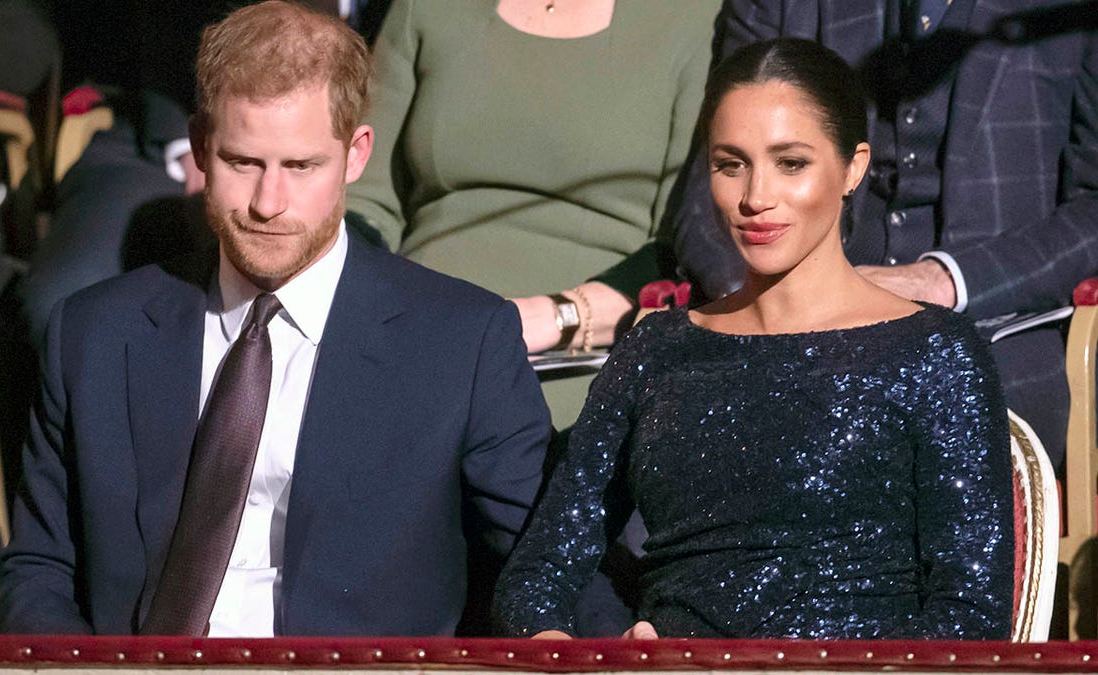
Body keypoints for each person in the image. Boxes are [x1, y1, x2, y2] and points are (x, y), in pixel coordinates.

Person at [0, 0, 550, 636]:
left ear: (356, 154)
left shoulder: (461, 343)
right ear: (202, 148)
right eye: (243, 162)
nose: (268, 203)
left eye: (301, 166)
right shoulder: (94, 334)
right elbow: (36, 569)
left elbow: (545, 564)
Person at [494, 38, 1014, 640]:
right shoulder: (657, 349)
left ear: (853, 168)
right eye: (730, 164)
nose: (755, 198)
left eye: (791, 163)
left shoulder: (935, 353)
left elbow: (969, 617)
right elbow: (537, 574)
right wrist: (570, 650)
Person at [571, 0, 1098, 469]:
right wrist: (786, 313)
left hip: (990, 336)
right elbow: (712, 190)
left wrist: (941, 281)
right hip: (777, 334)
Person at [345, 0, 717, 426]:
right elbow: (364, 197)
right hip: (415, 329)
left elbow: (689, 242)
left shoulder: (695, 20)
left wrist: (554, 318)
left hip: (587, 356)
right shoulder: (426, 9)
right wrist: (372, 306)